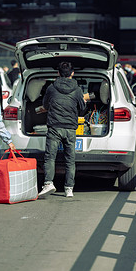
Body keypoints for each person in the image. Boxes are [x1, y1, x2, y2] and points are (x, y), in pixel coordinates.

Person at [38, 62, 86, 198]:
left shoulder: (51, 88)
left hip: (54, 127)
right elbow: (82, 108)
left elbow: (45, 104)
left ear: (58, 73)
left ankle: (48, 183)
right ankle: (69, 189)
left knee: (50, 157)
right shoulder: (77, 90)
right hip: (70, 128)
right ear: (72, 73)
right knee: (70, 160)